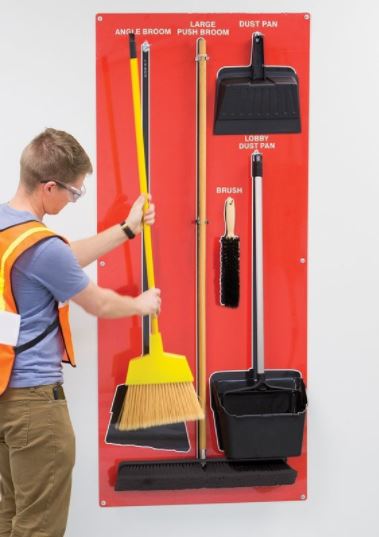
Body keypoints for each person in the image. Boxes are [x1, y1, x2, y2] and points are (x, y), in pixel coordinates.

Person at [0, 128, 161, 537]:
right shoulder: (41, 246)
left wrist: (126, 230)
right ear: (48, 186)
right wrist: (140, 305)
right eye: (74, 193)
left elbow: (62, 259)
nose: (73, 201)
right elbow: (99, 303)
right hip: (36, 408)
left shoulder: (9, 230)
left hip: (5, 401)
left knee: (11, 517)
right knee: (38, 529)